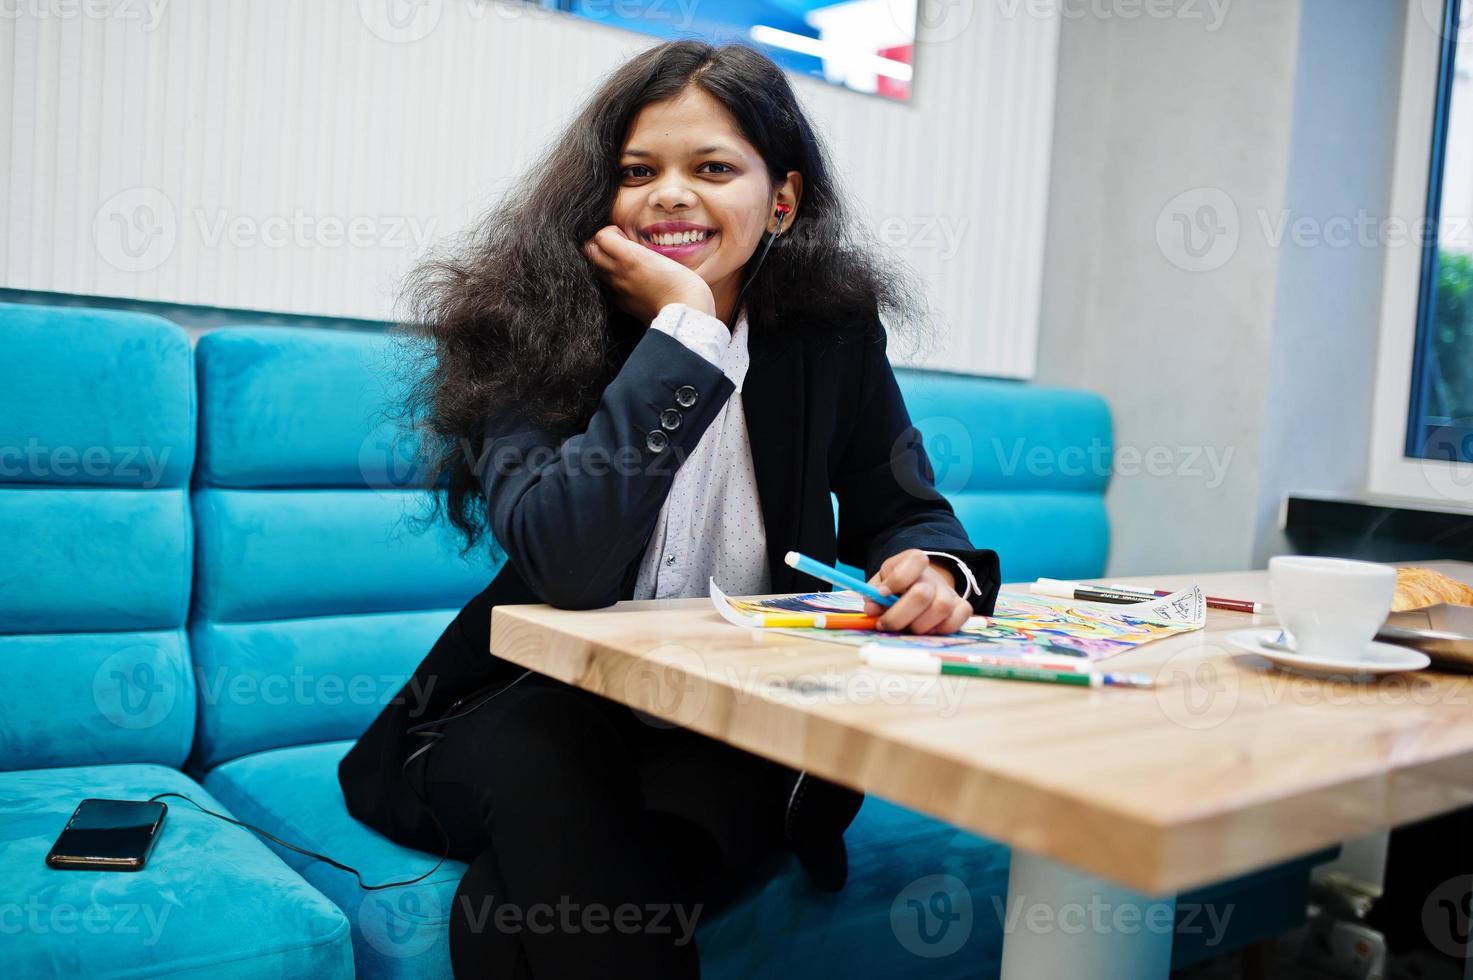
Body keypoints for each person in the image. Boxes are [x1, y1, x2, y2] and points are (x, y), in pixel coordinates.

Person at [339, 39, 1001, 978]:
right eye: (637, 172)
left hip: (725, 728)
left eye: (714, 168)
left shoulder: (829, 337)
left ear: (782, 200)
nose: (670, 195)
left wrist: (931, 567)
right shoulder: (525, 324)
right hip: (524, 713)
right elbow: (565, 563)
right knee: (547, 746)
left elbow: (905, 506)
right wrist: (685, 330)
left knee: (502, 912)